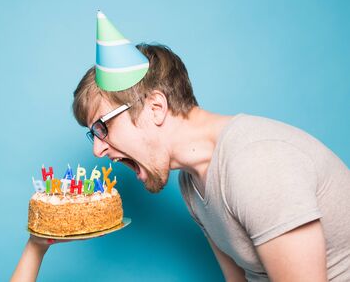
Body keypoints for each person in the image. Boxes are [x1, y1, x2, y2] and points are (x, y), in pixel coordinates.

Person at [72, 41, 350, 281]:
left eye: (102, 127)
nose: (98, 150)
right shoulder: (191, 181)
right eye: (93, 134)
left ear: (155, 108)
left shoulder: (257, 164)